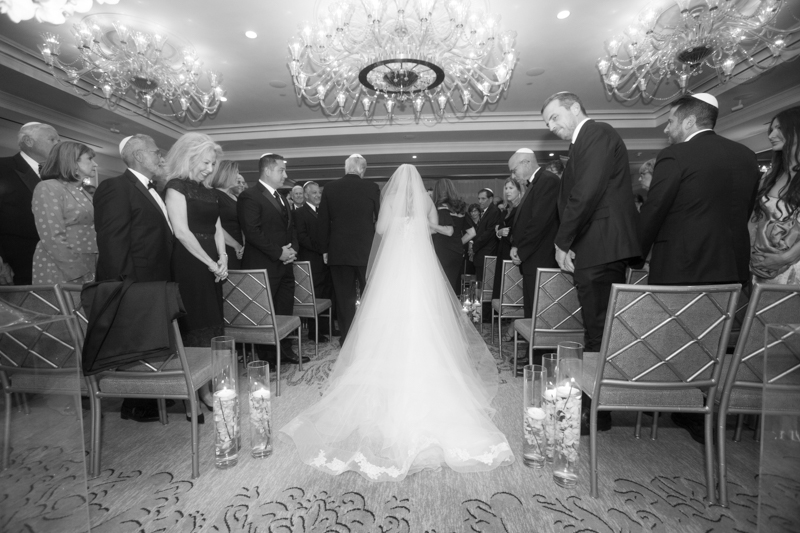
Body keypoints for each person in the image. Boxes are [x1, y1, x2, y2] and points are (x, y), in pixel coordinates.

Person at [280, 164, 513, 481]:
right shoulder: (427, 201)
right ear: (417, 184)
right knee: (425, 316)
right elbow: (433, 227)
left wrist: (398, 226)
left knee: (385, 319)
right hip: (419, 267)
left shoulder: (387, 201)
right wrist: (415, 225)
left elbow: (379, 230)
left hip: (395, 268)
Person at [542, 91, 641, 434]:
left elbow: (586, 192)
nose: (552, 126)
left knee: (599, 330)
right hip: (596, 247)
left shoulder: (596, 133)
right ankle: (597, 407)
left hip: (602, 246)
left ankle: (595, 410)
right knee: (596, 328)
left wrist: (562, 241)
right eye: (548, 123)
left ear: (575, 107)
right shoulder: (581, 143)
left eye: (555, 117)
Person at [640, 93, 760, 287]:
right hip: (733, 267)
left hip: (682, 268)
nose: (666, 129)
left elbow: (655, 209)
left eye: (670, 122)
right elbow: (744, 211)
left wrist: (636, 257)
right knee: (725, 318)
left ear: (689, 122)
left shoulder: (674, 155)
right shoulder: (747, 156)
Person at [94, 134, 174, 423]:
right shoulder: (115, 187)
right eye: (156, 153)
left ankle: (153, 398)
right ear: (139, 156)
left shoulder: (155, 189)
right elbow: (112, 242)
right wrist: (123, 289)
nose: (161, 158)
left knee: (153, 344)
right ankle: (136, 404)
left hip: (157, 279)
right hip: (136, 282)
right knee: (138, 345)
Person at [164, 133, 228, 420]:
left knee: (212, 324)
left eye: (212, 164)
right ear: (188, 158)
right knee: (195, 326)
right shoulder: (175, 187)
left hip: (211, 261)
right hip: (189, 262)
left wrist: (223, 257)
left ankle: (206, 389)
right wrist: (210, 263)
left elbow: (216, 228)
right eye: (205, 162)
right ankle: (197, 396)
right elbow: (181, 232)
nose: (209, 168)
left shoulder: (209, 191)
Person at [238, 153, 307, 364]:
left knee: (284, 310)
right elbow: (252, 231)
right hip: (264, 264)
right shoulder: (249, 196)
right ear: (267, 171)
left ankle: (284, 351)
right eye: (281, 170)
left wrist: (292, 250)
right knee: (266, 314)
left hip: (285, 265)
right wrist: (279, 252)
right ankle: (267, 357)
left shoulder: (281, 197)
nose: (285, 175)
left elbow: (291, 228)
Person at [317, 154, 380, 344]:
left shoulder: (330, 187)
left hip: (339, 252)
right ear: (362, 169)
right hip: (366, 252)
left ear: (346, 168)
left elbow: (323, 221)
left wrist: (325, 249)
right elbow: (380, 218)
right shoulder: (372, 187)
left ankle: (347, 339)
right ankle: (371, 336)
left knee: (344, 299)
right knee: (371, 296)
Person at [0, 122, 60, 285]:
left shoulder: (56, 175)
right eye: (52, 139)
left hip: (57, 267)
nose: (57, 144)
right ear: (28, 141)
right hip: (17, 267)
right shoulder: (3, 168)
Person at [31, 141, 98, 284]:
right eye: (90, 159)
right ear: (73, 163)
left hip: (86, 262)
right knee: (63, 306)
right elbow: (52, 236)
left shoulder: (83, 193)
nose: (95, 164)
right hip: (62, 266)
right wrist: (78, 271)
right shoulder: (48, 187)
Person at [508, 148, 559, 320]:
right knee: (531, 310)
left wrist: (521, 251)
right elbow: (526, 220)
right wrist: (516, 244)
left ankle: (541, 348)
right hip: (533, 257)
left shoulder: (547, 181)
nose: (513, 176)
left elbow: (539, 223)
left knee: (540, 314)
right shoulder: (536, 183)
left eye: (514, 171)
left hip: (541, 257)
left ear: (526, 162)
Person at [750, 106, 800, 285]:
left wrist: (785, 259)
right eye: (771, 130)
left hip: (793, 267)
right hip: (761, 265)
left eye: (779, 128)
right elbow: (755, 220)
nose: (771, 135)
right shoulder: (770, 175)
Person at [294, 180, 334, 342]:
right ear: (305, 195)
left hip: (325, 261)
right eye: (314, 193)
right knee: (314, 296)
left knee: (326, 294)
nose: (318, 195)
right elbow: (302, 237)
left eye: (319, 193)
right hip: (310, 260)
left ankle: (325, 328)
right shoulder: (299, 213)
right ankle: (314, 332)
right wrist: (322, 249)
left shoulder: (323, 212)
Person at [431, 178, 471, 294]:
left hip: (442, 251)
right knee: (451, 285)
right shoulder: (459, 208)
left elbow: (449, 231)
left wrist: (429, 224)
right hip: (457, 252)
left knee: (441, 287)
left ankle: (443, 312)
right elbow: (472, 232)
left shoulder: (441, 207)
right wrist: (458, 243)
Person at [492, 177, 523, 302]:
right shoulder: (507, 209)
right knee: (503, 286)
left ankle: (511, 317)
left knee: (512, 288)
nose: (507, 191)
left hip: (513, 250)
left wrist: (507, 232)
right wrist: (499, 232)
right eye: (506, 188)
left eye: (511, 188)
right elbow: (500, 227)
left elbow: (521, 230)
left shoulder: (522, 207)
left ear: (520, 189)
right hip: (503, 249)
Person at [210, 160, 245, 269]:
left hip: (240, 248)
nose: (238, 176)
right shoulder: (214, 195)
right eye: (236, 172)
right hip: (226, 247)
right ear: (226, 174)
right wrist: (236, 246)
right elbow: (215, 226)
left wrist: (243, 245)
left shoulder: (235, 196)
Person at [472, 188, 501, 283]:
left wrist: (474, 247)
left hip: (487, 253)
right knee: (480, 282)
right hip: (482, 253)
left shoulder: (494, 211)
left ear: (491, 199)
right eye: (479, 198)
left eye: (483, 199)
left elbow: (488, 233)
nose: (480, 201)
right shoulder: (486, 211)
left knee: (485, 283)